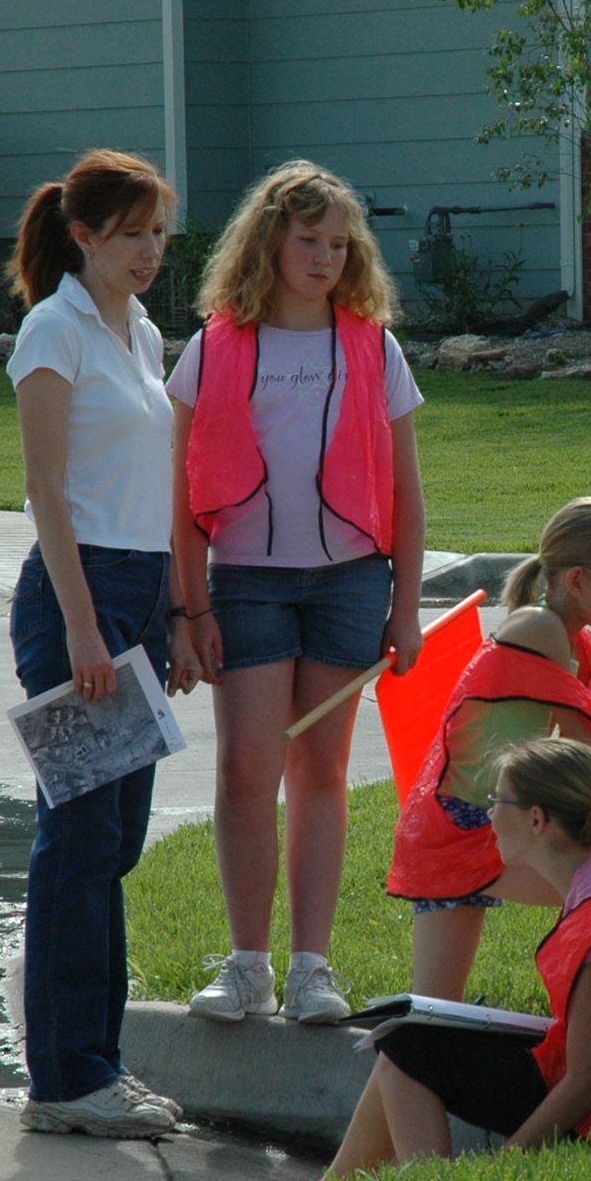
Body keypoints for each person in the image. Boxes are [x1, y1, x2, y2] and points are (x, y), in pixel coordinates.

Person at [166, 161, 427, 1028]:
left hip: (351, 582)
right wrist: (191, 608)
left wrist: (405, 607)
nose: (324, 257)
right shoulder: (213, 348)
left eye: (339, 244)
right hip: (245, 583)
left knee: (322, 769)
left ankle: (313, 969)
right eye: (308, 240)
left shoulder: (374, 347)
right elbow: (182, 497)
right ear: (268, 242)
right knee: (247, 766)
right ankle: (248, 966)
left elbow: (407, 491)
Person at [5, 149, 188, 1139]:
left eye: (158, 231)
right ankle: (67, 1079)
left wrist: (175, 617)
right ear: (82, 236)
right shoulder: (53, 329)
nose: (150, 250)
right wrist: (82, 626)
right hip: (73, 601)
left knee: (113, 845)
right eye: (131, 234)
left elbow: (154, 490)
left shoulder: (142, 333)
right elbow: (47, 489)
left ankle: (98, 1064)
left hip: (139, 595)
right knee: (77, 841)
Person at [330, 736, 591, 1177]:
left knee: (409, 1048)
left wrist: (505, 1164)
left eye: (497, 801)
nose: (489, 815)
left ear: (537, 819)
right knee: (409, 1040)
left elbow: (585, 1085)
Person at [385, 495, 591, 998]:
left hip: (481, 814)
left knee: (437, 1006)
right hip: (464, 824)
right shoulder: (542, 629)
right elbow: (581, 751)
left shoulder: (566, 635)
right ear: (577, 580)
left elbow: (577, 761)